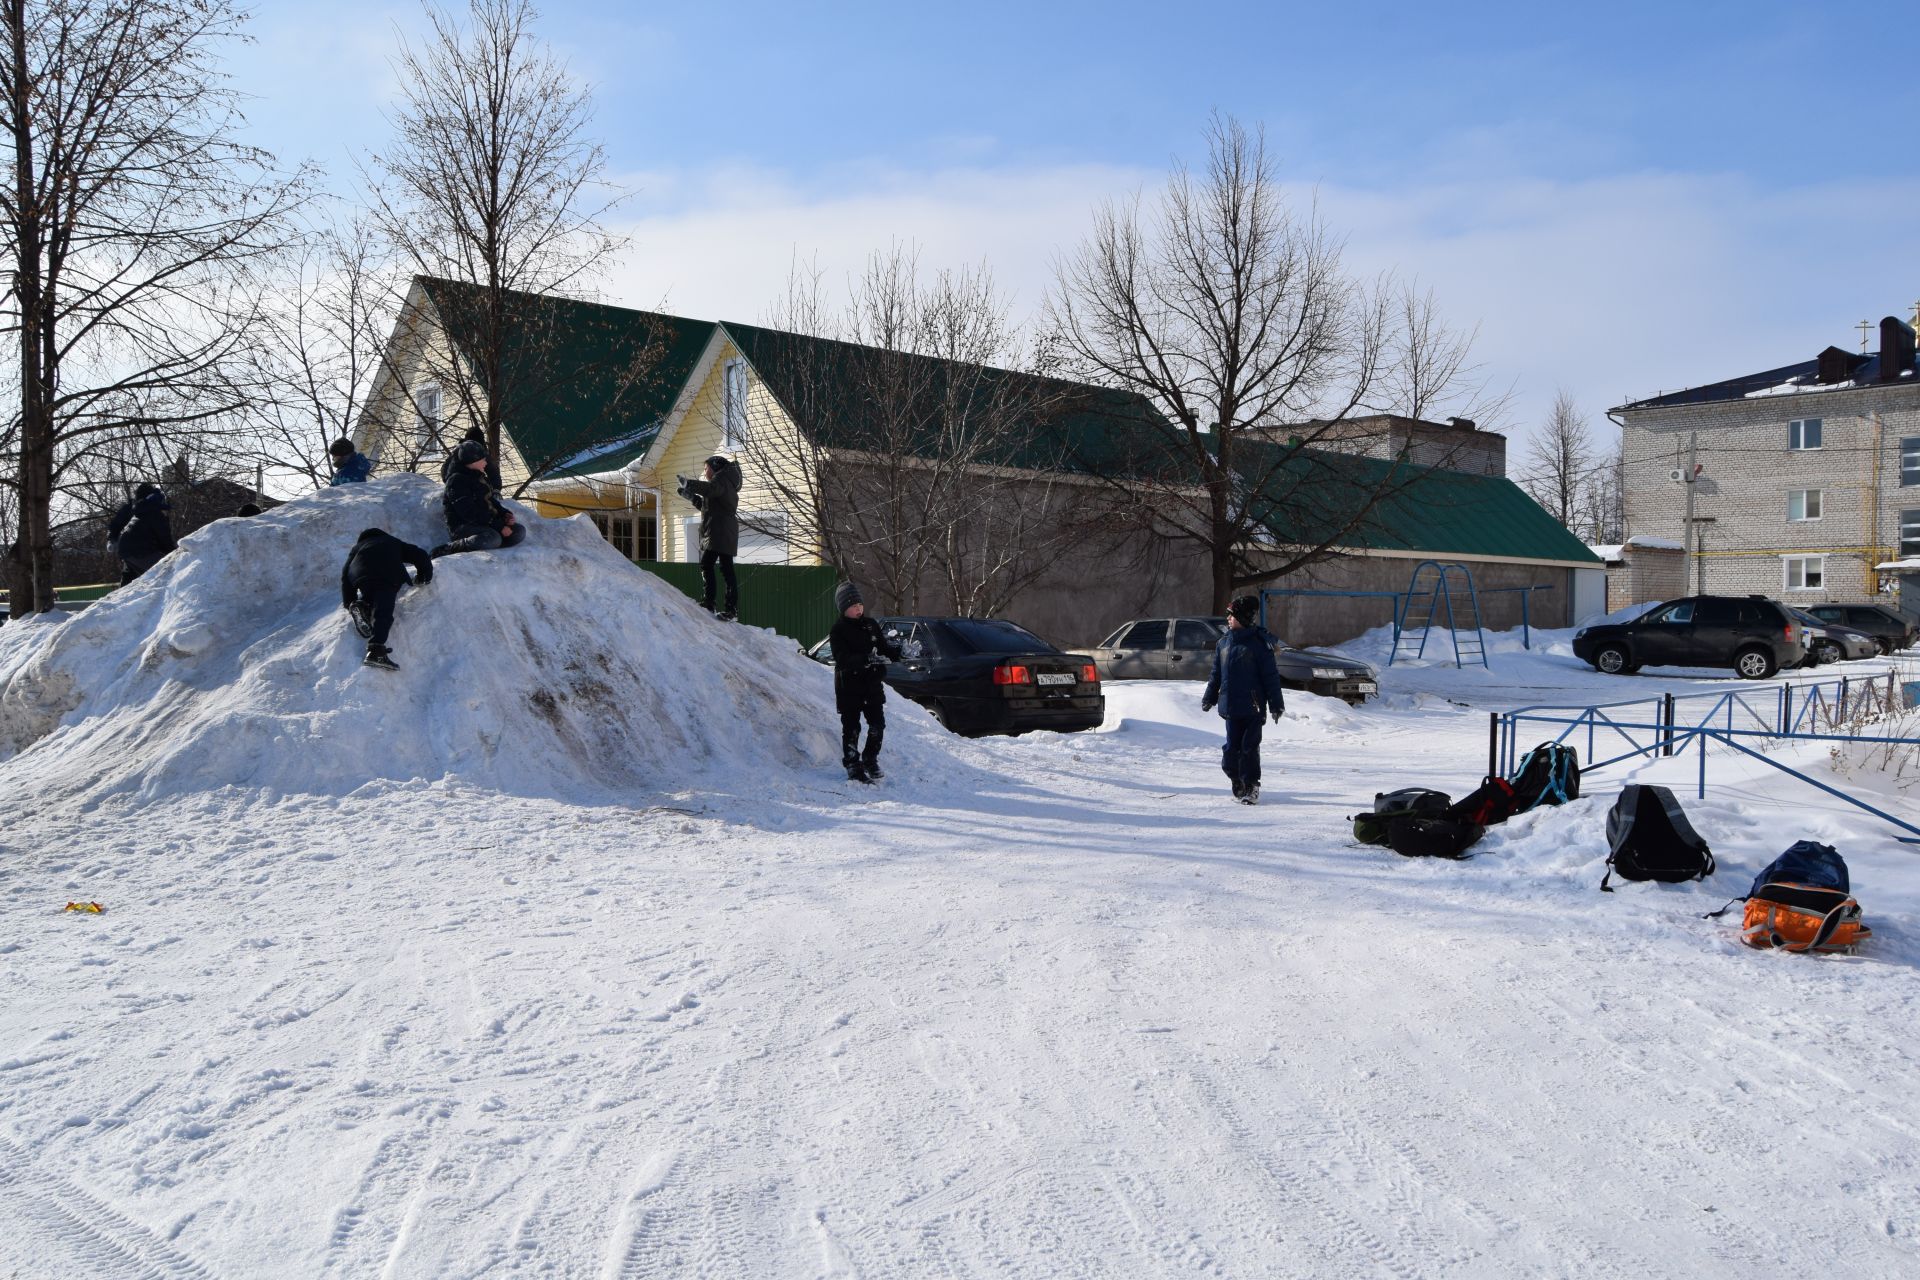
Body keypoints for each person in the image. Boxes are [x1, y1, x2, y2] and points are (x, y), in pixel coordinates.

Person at [1200, 594, 1287, 805]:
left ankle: (1252, 785)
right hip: (1230, 707)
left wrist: (1276, 704)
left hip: (1253, 708)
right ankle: (1235, 777)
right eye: (1228, 615)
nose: (1228, 619)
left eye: (1232, 615)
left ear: (1242, 617)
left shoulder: (1259, 644)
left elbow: (1271, 677)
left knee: (1249, 747)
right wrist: (1209, 697)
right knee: (1231, 750)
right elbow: (1216, 675)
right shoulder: (1223, 644)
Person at [828, 581, 900, 784]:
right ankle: (852, 765)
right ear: (844, 609)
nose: (858, 608)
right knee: (851, 728)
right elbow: (841, 659)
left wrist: (897, 653)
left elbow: (883, 648)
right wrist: (865, 659)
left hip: (872, 685)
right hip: (849, 687)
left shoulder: (871, 625)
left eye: (859, 604)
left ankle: (870, 759)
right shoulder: (838, 630)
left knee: (878, 725)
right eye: (853, 605)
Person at [341, 528, 434, 671]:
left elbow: (345, 576)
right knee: (383, 611)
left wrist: (350, 602)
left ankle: (361, 606)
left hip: (360, 575)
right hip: (386, 574)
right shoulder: (391, 541)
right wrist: (424, 576)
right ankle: (376, 651)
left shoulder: (357, 548)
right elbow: (420, 555)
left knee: (371, 594)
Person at [433, 439, 525, 557]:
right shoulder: (456, 481)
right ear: (472, 461)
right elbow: (469, 513)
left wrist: (505, 514)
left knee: (518, 531)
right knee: (493, 538)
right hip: (463, 526)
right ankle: (451, 548)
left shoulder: (477, 476)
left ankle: (490, 542)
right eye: (482, 460)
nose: (486, 463)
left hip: (484, 523)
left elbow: (490, 500)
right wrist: (499, 526)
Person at [677, 454, 742, 620]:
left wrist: (689, 484)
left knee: (709, 564)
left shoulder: (721, 481)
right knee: (724, 568)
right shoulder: (723, 482)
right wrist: (692, 497)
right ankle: (725, 607)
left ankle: (712, 603)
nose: (705, 471)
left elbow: (709, 490)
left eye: (706, 468)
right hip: (721, 531)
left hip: (720, 531)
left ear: (715, 468)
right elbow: (710, 509)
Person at [108, 483, 178, 585]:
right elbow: (164, 538)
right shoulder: (145, 510)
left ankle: (127, 596)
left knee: (134, 579)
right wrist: (111, 539)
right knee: (164, 571)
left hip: (129, 548)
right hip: (139, 549)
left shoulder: (141, 508)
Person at [440, 426, 503, 493]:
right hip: (461, 484)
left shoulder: (462, 450)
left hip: (465, 482)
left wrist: (496, 488)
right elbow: (492, 469)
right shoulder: (463, 451)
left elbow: (492, 470)